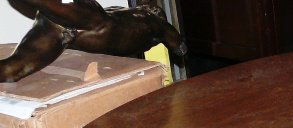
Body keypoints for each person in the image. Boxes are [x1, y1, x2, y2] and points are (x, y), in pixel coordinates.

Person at [1, 0, 185, 82]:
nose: (149, 8)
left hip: (77, 28)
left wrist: (178, 47)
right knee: (13, 70)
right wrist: (179, 48)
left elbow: (176, 42)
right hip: (82, 27)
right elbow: (178, 46)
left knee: (13, 70)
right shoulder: (130, 14)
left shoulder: (154, 22)